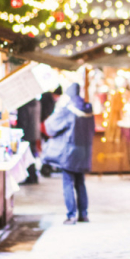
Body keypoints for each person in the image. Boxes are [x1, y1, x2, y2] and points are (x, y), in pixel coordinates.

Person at [44, 83, 95, 225]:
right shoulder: (88, 109)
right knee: (80, 183)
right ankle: (83, 214)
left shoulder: (68, 110)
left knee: (68, 183)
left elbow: (51, 127)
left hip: (69, 152)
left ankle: (71, 215)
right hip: (84, 152)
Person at [15, 98, 41, 184]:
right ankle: (33, 176)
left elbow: (23, 121)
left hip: (26, 133)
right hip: (35, 132)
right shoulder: (37, 103)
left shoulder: (24, 105)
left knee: (27, 156)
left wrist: (18, 133)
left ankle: (31, 177)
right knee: (32, 155)